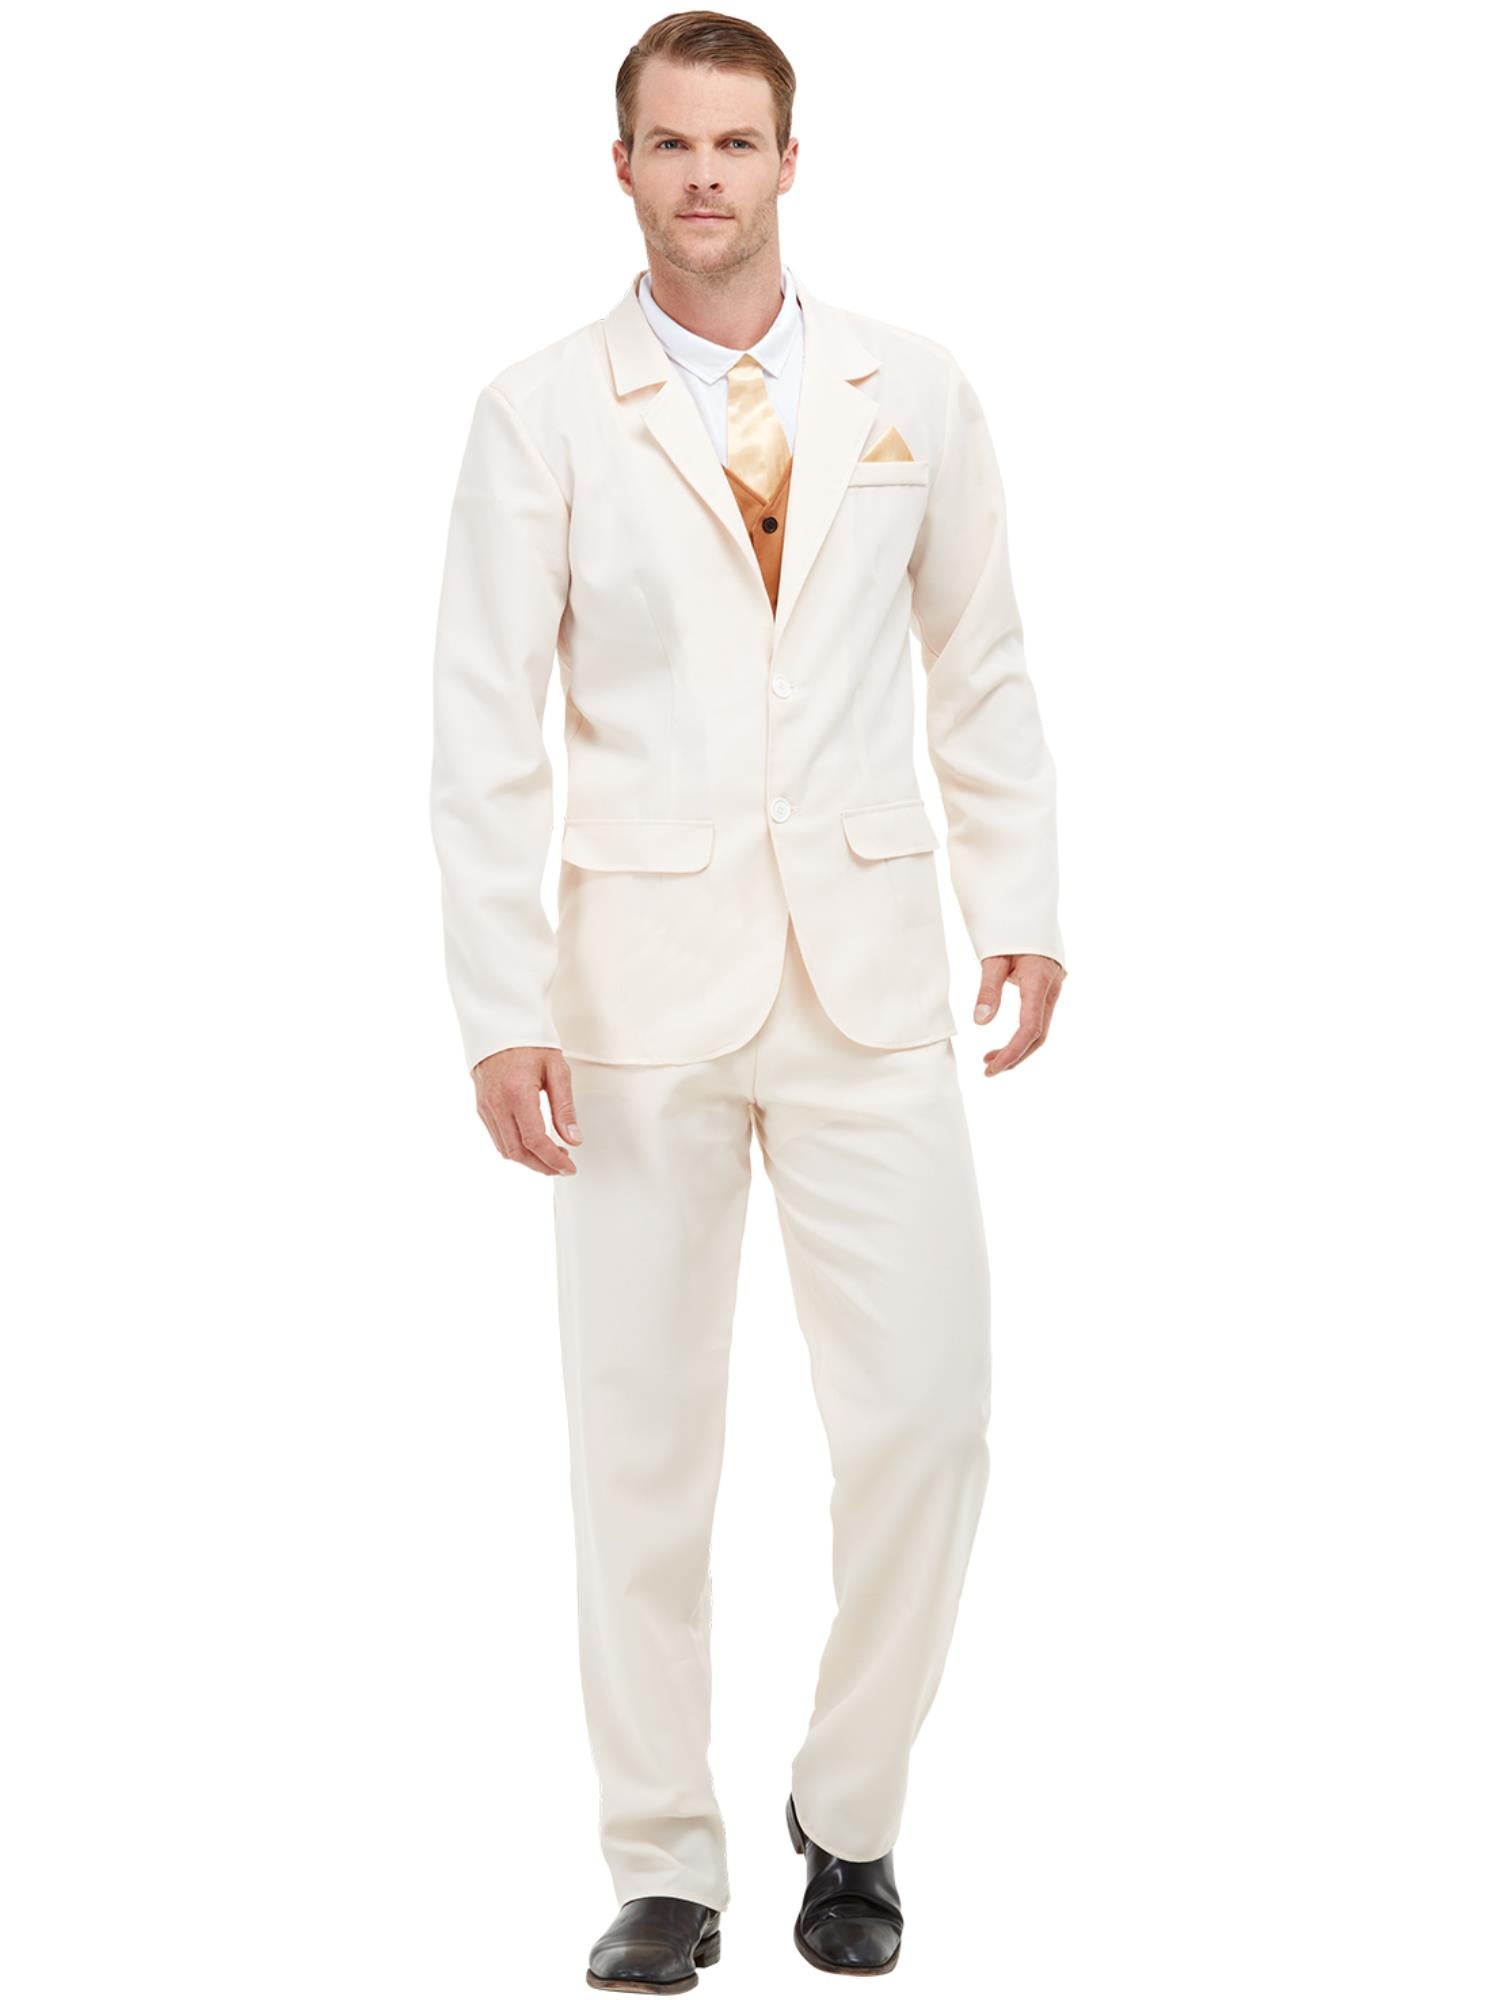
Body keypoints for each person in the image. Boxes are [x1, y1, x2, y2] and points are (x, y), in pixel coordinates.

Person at [429, 12, 1067, 1989]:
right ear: (619, 166)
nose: (704, 175)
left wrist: (1025, 901)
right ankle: (663, 1864)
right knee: (640, 1451)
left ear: (794, 160)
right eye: (670, 143)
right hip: (632, 997)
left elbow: (980, 659)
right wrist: (498, 1001)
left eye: (736, 142)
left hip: (871, 983)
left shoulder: (915, 388)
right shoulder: (540, 411)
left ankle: (848, 1813)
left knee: (932, 1422)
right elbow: (482, 726)